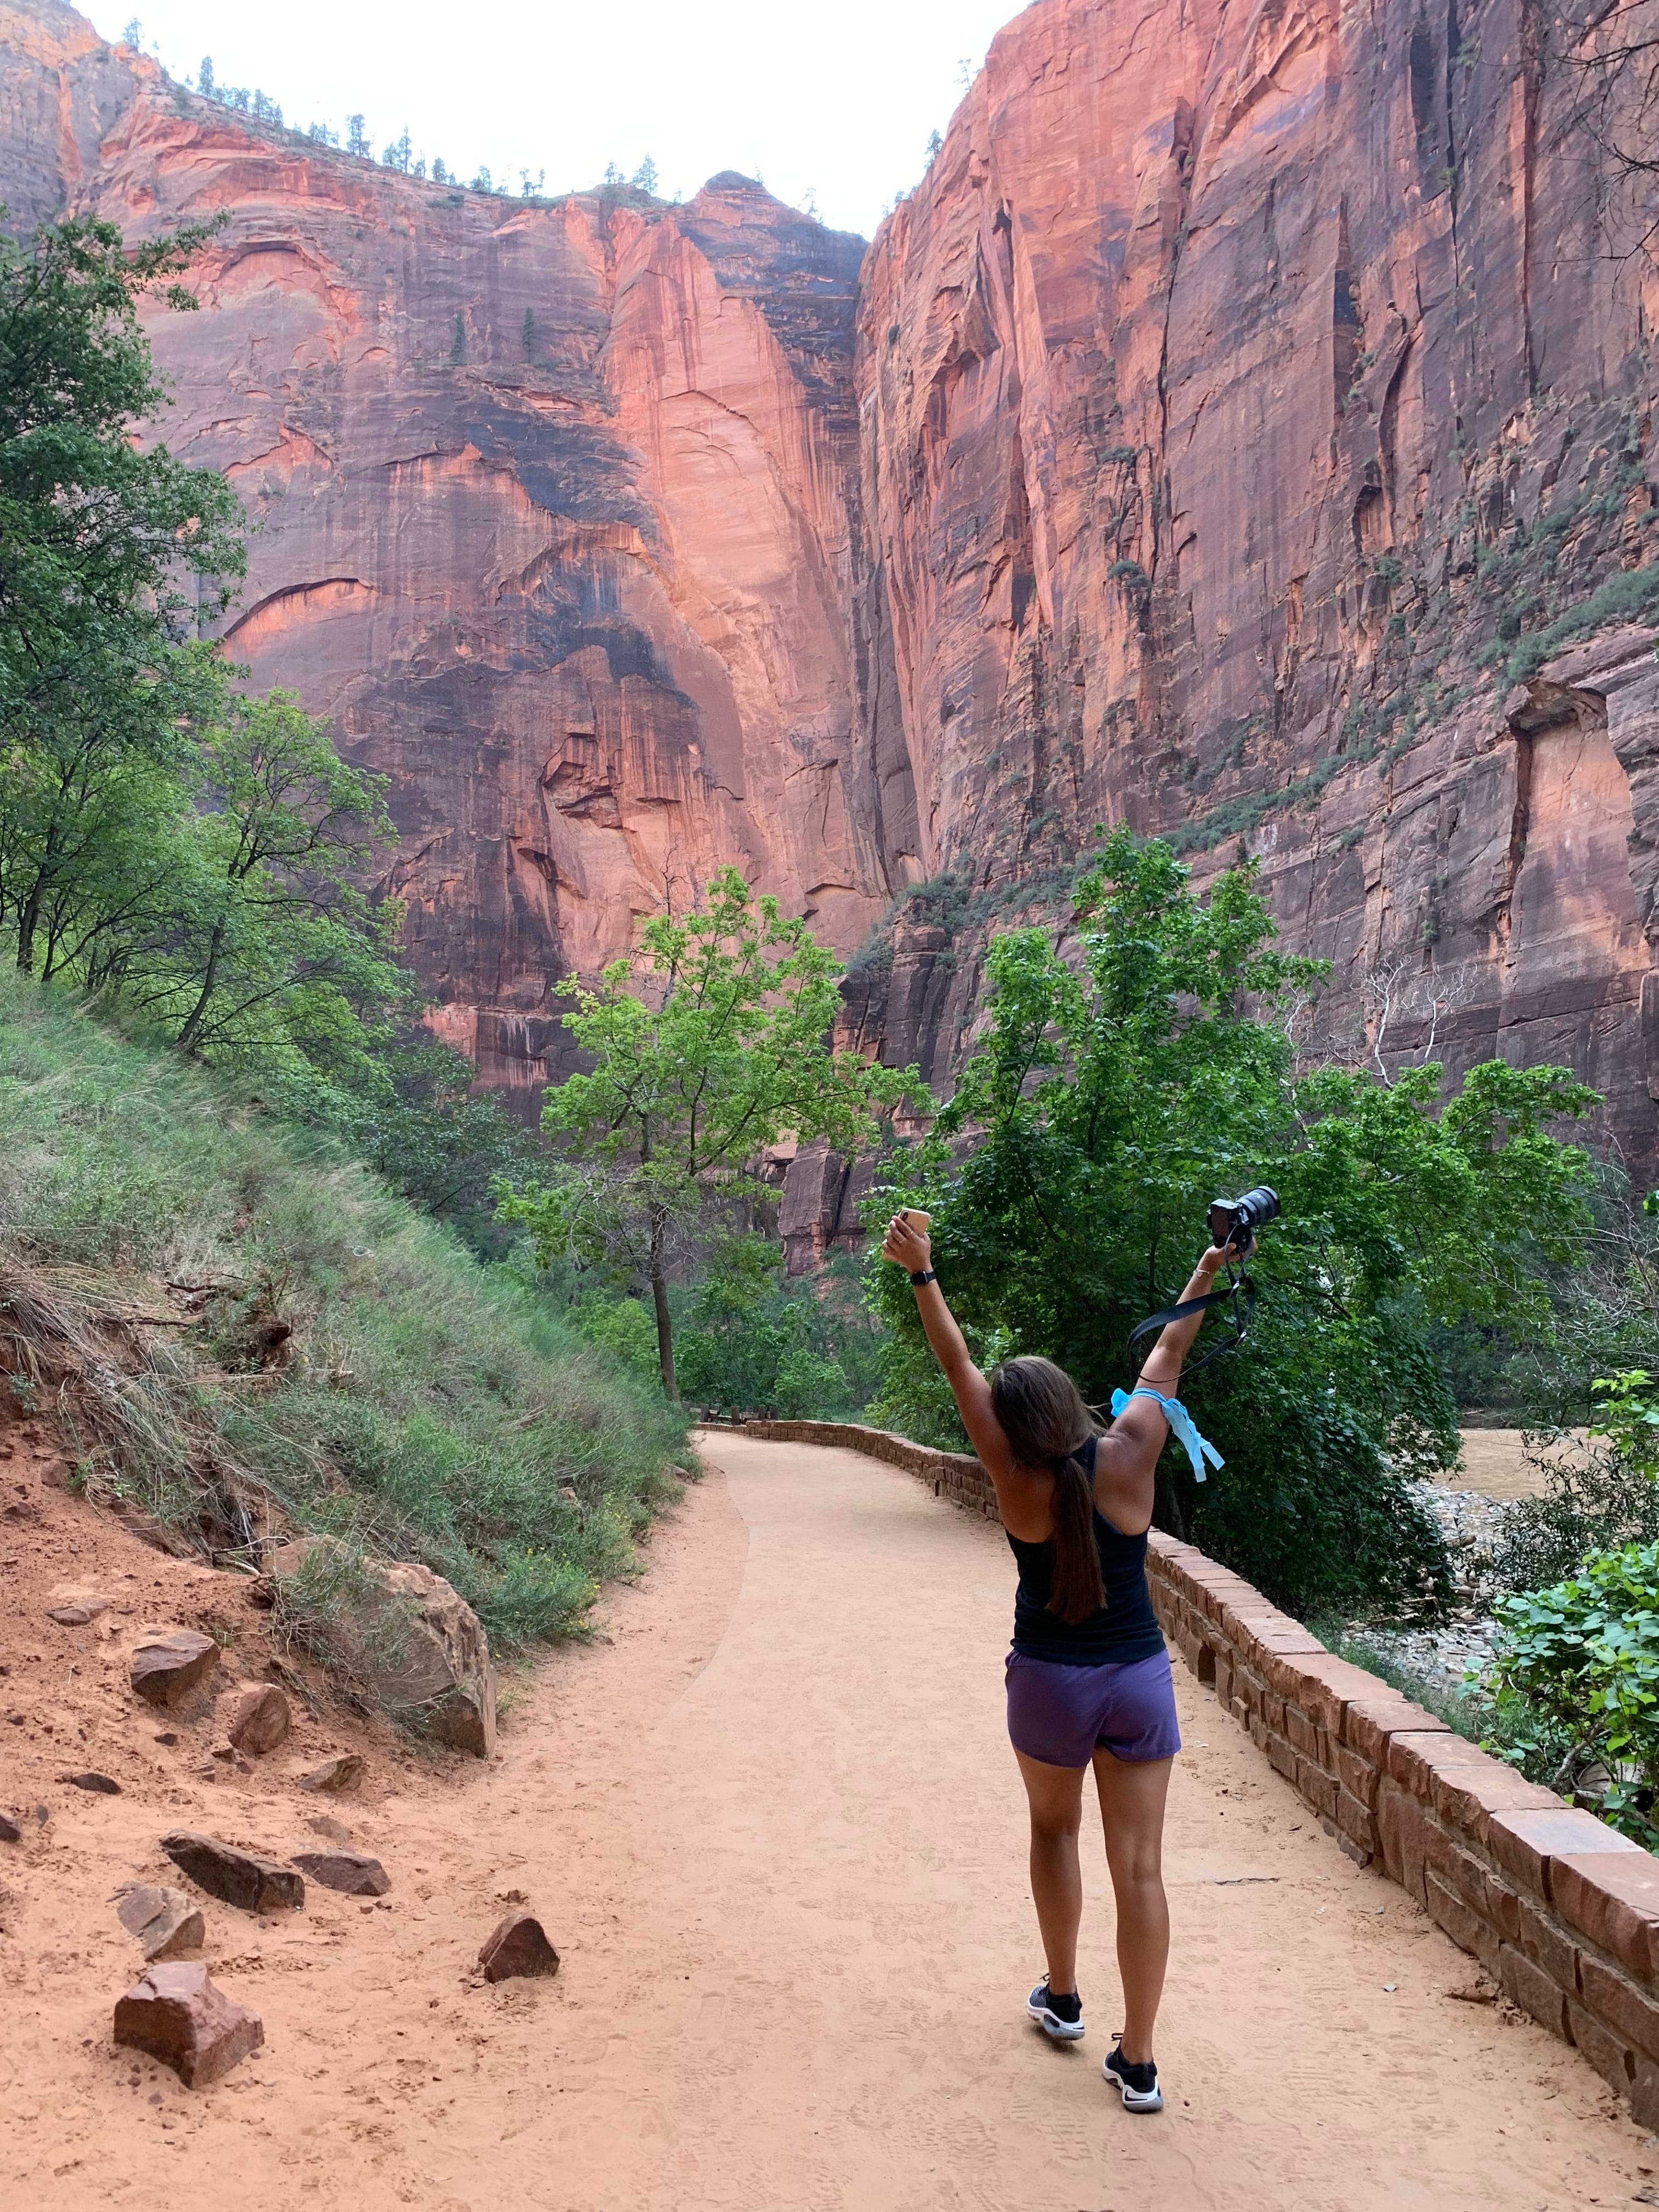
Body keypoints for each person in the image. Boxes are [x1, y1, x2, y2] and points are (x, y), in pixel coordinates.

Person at [880, 1209, 1236, 2116]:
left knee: (1054, 1831)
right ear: (1075, 1401)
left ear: (1009, 1422)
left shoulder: (1011, 1474)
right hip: (1137, 1681)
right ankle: (1142, 2062)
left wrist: (924, 1274)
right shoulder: (1131, 1451)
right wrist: (1208, 1271)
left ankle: (1066, 1998)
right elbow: (1165, 1362)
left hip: (1047, 1681)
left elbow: (956, 1366)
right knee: (1143, 1870)